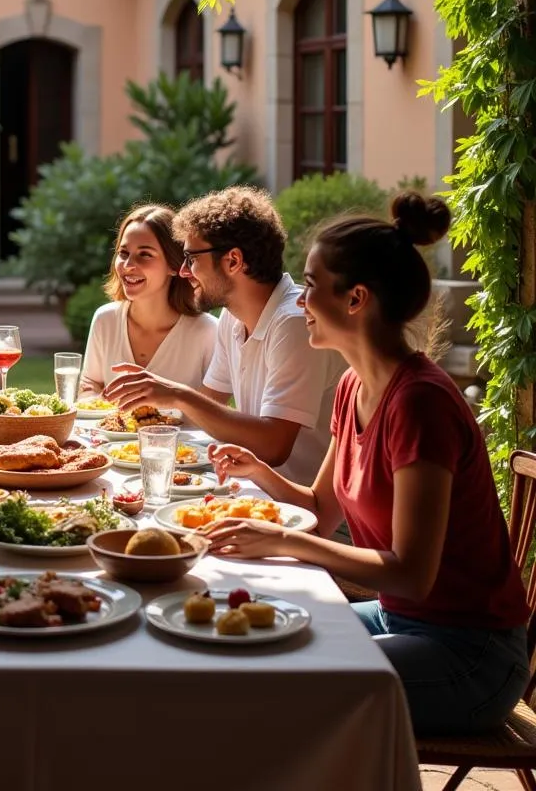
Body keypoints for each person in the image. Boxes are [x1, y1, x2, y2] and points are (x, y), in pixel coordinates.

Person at [204, 192, 529, 736]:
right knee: (244, 634)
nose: (300, 301)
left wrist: (284, 542)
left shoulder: (420, 403)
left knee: (276, 687)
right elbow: (318, 508)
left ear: (356, 299)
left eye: (310, 285)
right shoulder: (355, 385)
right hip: (399, 619)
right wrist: (260, 475)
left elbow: (411, 572)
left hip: (470, 655)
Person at [104, 186, 345, 486]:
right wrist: (140, 420)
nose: (183, 271)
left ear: (233, 261)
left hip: (308, 511)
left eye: (191, 258)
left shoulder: (293, 324)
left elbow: (274, 447)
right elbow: (206, 408)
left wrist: (178, 394)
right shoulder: (232, 317)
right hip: (254, 492)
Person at [80, 204, 217, 400]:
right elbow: (90, 385)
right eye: (124, 253)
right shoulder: (105, 319)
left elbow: (214, 412)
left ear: (173, 264)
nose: (128, 266)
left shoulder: (207, 331)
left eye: (145, 254)